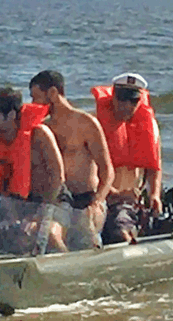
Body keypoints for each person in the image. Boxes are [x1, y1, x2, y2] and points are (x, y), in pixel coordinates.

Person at [0, 86, 67, 254]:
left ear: (10, 115)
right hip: (16, 202)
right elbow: (0, 181)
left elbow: (58, 178)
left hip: (53, 202)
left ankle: (69, 270)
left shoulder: (39, 134)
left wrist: (39, 215)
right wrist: (11, 215)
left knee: (50, 235)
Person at [29, 70, 114, 249]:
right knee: (46, 233)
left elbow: (108, 171)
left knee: (87, 235)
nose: (33, 104)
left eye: (35, 97)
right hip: (60, 201)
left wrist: (97, 202)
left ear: (52, 93)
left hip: (87, 199)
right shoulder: (44, 128)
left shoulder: (86, 123)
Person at [91, 73, 162, 244]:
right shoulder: (94, 124)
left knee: (119, 230)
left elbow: (155, 164)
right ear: (113, 97)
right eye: (122, 99)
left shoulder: (150, 125)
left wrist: (155, 194)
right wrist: (113, 194)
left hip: (129, 200)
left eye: (133, 101)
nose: (127, 105)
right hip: (100, 196)